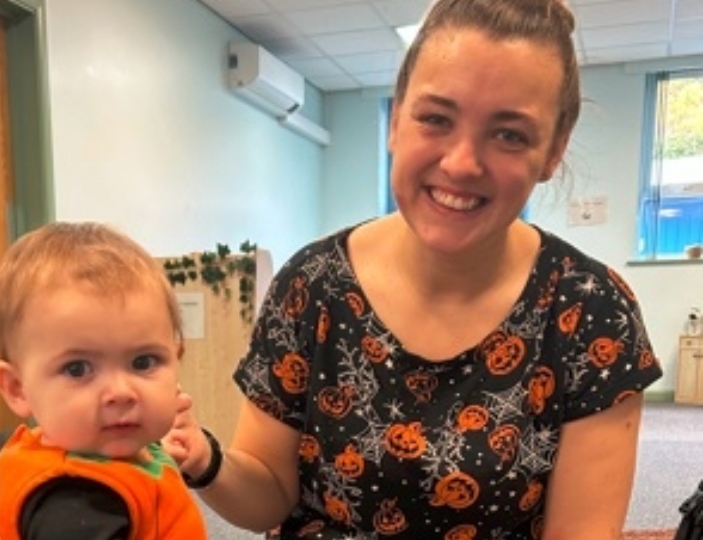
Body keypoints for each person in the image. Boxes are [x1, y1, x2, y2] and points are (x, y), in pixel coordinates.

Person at [162, 0, 664, 538]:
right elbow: (266, 499)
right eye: (436, 118)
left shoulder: (589, 308)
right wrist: (208, 461)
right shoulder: (311, 286)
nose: (461, 163)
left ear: (553, 151)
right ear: (396, 120)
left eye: (510, 134)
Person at [0, 222, 208, 540]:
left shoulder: (111, 453)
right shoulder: (72, 502)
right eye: (78, 369)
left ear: (176, 358)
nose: (120, 392)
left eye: (143, 362)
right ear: (17, 388)